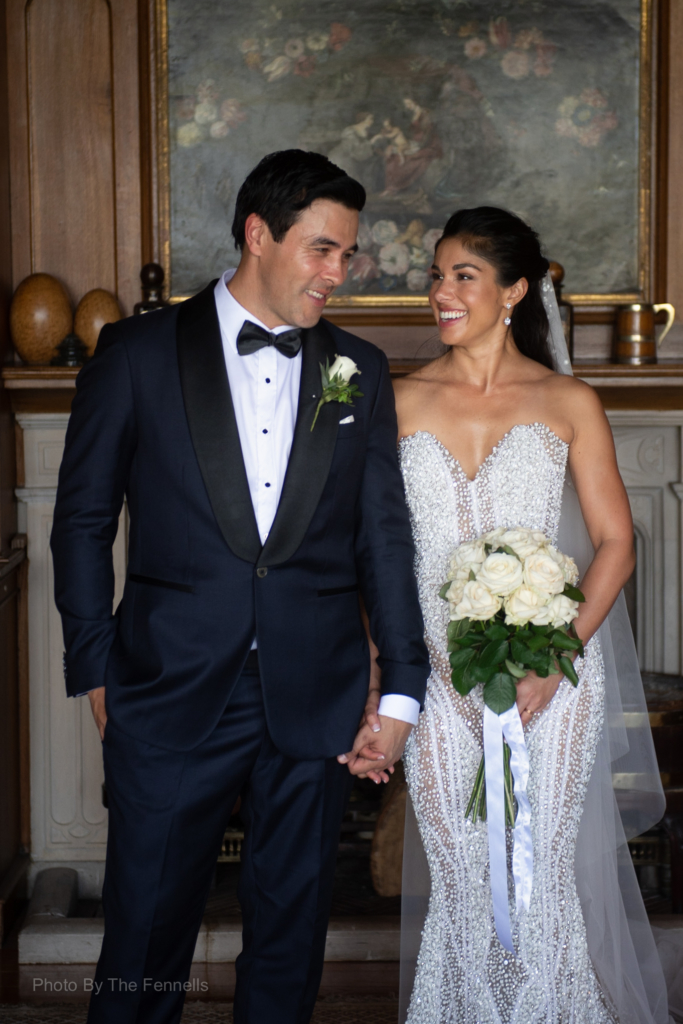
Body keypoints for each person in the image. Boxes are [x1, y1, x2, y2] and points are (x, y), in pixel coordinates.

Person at [50, 149, 429, 1024]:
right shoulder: (137, 354)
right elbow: (80, 522)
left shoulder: (356, 370)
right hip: (165, 685)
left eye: (348, 254)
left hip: (317, 692)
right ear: (259, 235)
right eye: (322, 250)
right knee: (143, 934)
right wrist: (96, 664)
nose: (339, 273)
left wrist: (402, 689)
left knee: (291, 935)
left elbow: (384, 535)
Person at [356, 205, 670, 1021]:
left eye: (463, 275)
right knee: (462, 873)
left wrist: (553, 654)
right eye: (434, 275)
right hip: (433, 678)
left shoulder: (568, 400)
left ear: (513, 289)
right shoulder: (394, 402)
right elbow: (373, 562)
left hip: (553, 679)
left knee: (536, 867)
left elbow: (613, 543)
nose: (440, 292)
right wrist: (380, 681)